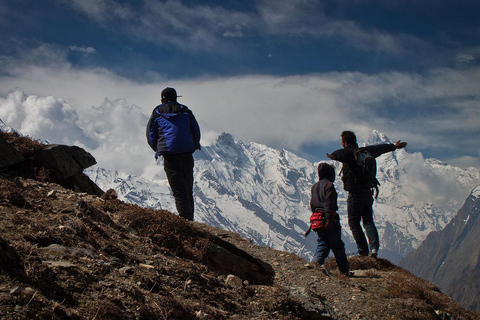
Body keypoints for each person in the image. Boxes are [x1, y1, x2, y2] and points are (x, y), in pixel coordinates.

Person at [326, 131, 407, 257]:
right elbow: (380, 148)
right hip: (368, 193)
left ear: (345, 142)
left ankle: (363, 251)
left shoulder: (348, 152)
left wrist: (333, 156)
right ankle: (374, 249)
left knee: (354, 222)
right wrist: (394, 146)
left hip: (355, 195)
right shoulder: (366, 151)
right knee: (368, 221)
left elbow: (340, 154)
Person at [146, 87, 201, 221]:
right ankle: (189, 219)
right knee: (188, 189)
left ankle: (186, 221)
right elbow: (196, 131)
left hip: (170, 156)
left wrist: (160, 148)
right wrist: (193, 145)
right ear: (176, 98)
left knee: (178, 191)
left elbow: (151, 135)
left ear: (162, 99)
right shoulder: (186, 111)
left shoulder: (157, 113)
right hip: (187, 155)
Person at [310, 162, 351, 276]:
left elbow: (312, 204)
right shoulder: (329, 186)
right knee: (337, 246)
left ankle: (315, 265)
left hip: (317, 219)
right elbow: (328, 203)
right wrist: (328, 220)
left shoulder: (314, 187)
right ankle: (344, 271)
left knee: (323, 243)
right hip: (329, 220)